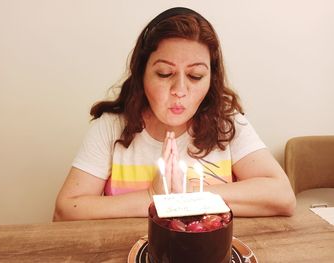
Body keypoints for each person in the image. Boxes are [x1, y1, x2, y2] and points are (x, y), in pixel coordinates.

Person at [53, 7, 296, 221]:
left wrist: (190, 194)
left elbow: (282, 197)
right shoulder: (111, 127)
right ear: (142, 74)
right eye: (164, 73)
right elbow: (65, 210)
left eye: (195, 76)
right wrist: (153, 196)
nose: (180, 90)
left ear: (211, 78)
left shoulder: (226, 122)